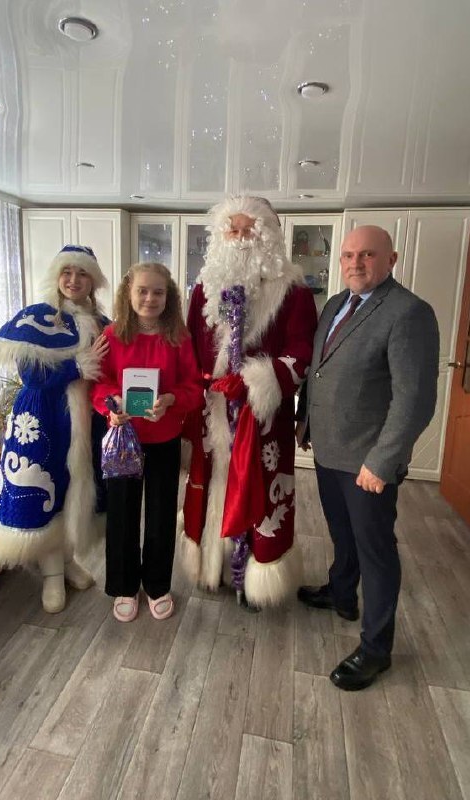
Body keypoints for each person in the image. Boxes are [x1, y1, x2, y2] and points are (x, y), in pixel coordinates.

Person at [297, 225, 439, 690]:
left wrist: (382, 461)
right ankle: (342, 593)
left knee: (375, 551)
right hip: (329, 449)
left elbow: (414, 400)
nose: (355, 263)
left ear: (391, 260)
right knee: (342, 533)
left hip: (368, 462)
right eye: (348, 255)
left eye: (368, 255)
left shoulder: (409, 312)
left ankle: (376, 649)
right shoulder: (335, 304)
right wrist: (305, 421)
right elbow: (319, 371)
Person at [180, 195, 317, 608]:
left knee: (259, 488)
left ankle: (255, 573)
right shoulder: (204, 288)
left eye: (249, 231)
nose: (240, 239)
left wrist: (258, 380)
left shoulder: (293, 291)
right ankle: (214, 566)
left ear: (268, 236)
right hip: (214, 411)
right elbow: (189, 347)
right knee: (213, 485)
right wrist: (203, 386)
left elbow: (302, 351)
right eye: (233, 230)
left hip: (264, 413)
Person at [0, 244, 109, 613]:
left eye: (82, 273)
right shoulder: (36, 318)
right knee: (45, 490)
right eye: (67, 272)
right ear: (56, 275)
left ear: (93, 281)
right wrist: (75, 367)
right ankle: (52, 574)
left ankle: (68, 561)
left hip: (89, 420)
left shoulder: (104, 324)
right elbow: (31, 374)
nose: (74, 280)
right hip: (44, 417)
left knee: (73, 491)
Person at [92, 262, 203, 622]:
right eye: (142, 290)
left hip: (164, 439)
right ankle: (125, 586)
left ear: (169, 296)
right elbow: (99, 383)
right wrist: (111, 406)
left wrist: (171, 399)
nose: (150, 298)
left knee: (160, 515)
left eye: (158, 292)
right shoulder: (112, 335)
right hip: (124, 439)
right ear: (128, 292)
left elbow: (194, 388)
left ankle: (157, 584)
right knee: (122, 514)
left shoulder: (179, 337)